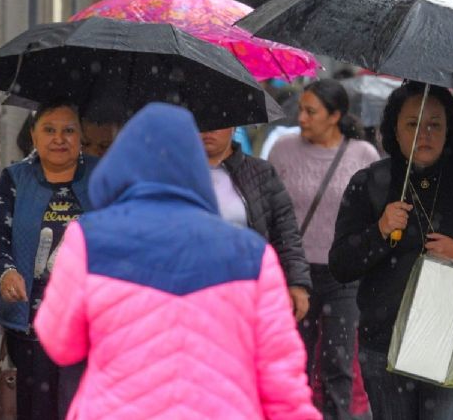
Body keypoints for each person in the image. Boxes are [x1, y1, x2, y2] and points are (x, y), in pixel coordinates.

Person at [33, 103, 318, 419]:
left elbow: (60, 343)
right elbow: (280, 375)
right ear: (195, 168)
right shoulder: (251, 253)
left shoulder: (88, 240)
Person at [329, 82, 453, 419]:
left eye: (435, 124)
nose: (424, 134)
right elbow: (341, 264)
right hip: (385, 341)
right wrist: (380, 232)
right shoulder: (370, 183)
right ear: (395, 129)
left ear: (450, 130)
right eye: (412, 124)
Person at [268, 79, 380, 419]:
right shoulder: (282, 149)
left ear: (335, 116)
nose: (301, 117)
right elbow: (271, 210)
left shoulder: (363, 155)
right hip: (293, 273)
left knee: (337, 362)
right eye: (300, 109)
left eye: (310, 111)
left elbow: (374, 216)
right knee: (295, 362)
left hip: (343, 274)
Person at [0, 98, 98, 420]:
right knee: (37, 407)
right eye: (49, 129)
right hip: (29, 319)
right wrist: (6, 272)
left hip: (86, 319)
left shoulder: (101, 176)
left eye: (68, 130)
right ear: (33, 135)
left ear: (81, 136)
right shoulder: (16, 179)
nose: (59, 138)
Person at [200, 125, 312, 320]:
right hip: (194, 289)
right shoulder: (176, 173)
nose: (209, 130)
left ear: (234, 127)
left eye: (219, 122)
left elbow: (285, 232)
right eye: (202, 122)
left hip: (249, 290)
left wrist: (296, 282)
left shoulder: (260, 173)